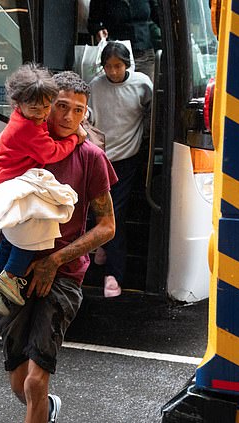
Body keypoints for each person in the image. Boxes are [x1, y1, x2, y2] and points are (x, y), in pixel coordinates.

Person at [0, 71, 117, 423]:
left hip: (64, 274)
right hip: (16, 273)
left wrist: (55, 260)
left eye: (79, 111)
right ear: (45, 106)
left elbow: (106, 227)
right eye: (62, 107)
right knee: (18, 382)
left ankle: (41, 405)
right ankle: (48, 411)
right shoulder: (24, 146)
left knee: (36, 381)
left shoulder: (91, 157)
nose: (70, 117)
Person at [0, 63, 86, 317]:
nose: (42, 113)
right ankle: (9, 277)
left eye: (47, 107)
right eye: (35, 108)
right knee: (34, 234)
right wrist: (74, 138)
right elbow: (51, 152)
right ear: (17, 103)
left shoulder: (27, 119)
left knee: (14, 237)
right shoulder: (26, 128)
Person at [88, 42, 153, 298]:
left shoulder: (142, 84)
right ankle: (102, 243)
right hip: (99, 156)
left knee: (115, 213)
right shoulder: (95, 85)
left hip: (126, 158)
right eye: (108, 66)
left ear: (127, 64)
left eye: (117, 66)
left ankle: (114, 275)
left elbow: (151, 113)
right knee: (94, 209)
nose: (113, 71)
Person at [88, 0, 161, 82]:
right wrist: (99, 30)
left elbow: (159, 16)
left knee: (146, 90)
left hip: (145, 53)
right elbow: (92, 23)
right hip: (117, 56)